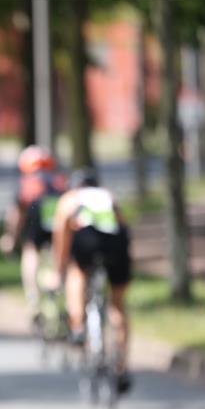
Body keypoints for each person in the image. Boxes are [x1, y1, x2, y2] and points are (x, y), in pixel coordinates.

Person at [51, 168, 133, 394]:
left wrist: (59, 271)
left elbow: (62, 237)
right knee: (118, 305)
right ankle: (121, 365)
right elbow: (123, 228)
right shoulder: (108, 196)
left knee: (77, 272)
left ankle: (77, 325)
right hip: (117, 244)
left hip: (88, 241)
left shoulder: (70, 198)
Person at [0, 145, 65, 318]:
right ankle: (57, 287)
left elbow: (17, 214)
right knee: (57, 252)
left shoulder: (26, 183)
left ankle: (34, 298)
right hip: (58, 218)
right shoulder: (59, 181)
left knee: (31, 251)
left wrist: (11, 237)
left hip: (37, 218)